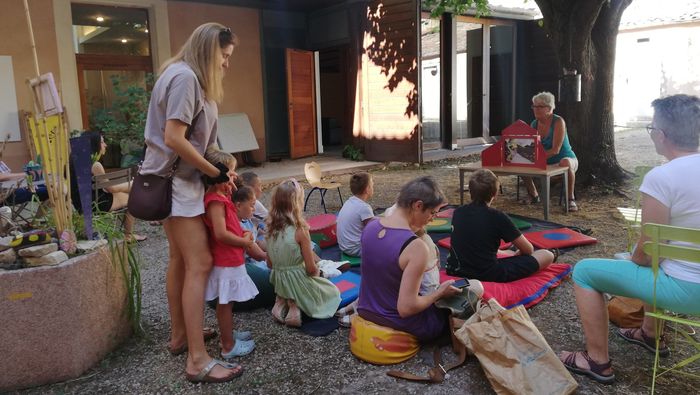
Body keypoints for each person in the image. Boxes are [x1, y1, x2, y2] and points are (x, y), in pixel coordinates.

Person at [559, 94, 700, 384]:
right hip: (686, 278)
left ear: (661, 136)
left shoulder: (662, 178)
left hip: (686, 290)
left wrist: (633, 258)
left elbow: (648, 254)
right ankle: (650, 334)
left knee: (585, 271)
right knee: (658, 262)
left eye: (652, 129)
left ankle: (596, 360)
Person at [141, 23, 242, 383]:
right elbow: (174, 138)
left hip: (168, 181)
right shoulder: (187, 79)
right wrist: (212, 172)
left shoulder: (178, 73)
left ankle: (181, 336)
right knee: (200, 262)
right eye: (224, 56)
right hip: (178, 185)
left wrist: (221, 166)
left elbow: (193, 142)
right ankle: (197, 360)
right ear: (208, 51)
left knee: (179, 260)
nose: (227, 64)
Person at [356, 176, 462, 342]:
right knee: (468, 295)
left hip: (365, 310)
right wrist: (439, 293)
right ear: (418, 205)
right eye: (432, 213)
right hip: (398, 321)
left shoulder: (371, 226)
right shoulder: (416, 247)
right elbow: (406, 308)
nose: (433, 219)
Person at [447, 169, 554, 282]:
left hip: (457, 270)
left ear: (470, 191)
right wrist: (519, 255)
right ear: (495, 193)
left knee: (492, 250)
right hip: (487, 274)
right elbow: (528, 249)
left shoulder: (458, 212)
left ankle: (509, 253)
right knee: (547, 255)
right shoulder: (497, 216)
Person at [202, 148, 258, 359]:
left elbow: (229, 226)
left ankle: (228, 334)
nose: (235, 176)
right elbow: (220, 233)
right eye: (231, 172)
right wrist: (243, 241)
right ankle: (228, 345)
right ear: (218, 174)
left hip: (230, 258)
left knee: (228, 303)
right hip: (226, 260)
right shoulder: (215, 200)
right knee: (225, 304)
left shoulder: (221, 195)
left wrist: (241, 231)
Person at [266, 179, 341, 327]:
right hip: (299, 281)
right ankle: (296, 306)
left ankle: (281, 301)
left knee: (289, 276)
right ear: (297, 203)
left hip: (279, 281)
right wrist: (321, 272)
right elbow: (311, 270)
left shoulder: (270, 229)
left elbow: (269, 264)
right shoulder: (300, 230)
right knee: (332, 292)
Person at [70, 130, 146, 242]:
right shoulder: (95, 165)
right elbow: (110, 189)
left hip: (80, 204)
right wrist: (133, 184)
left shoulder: (76, 161)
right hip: (96, 204)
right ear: (94, 145)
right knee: (132, 199)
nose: (105, 145)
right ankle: (128, 235)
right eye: (102, 142)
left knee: (127, 191)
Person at [523, 91, 579, 211]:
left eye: (540, 107)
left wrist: (535, 158)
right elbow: (531, 147)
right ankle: (533, 195)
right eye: (534, 106)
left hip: (565, 160)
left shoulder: (558, 122)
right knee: (522, 161)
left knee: (566, 162)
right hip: (545, 161)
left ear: (549, 108)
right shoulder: (534, 124)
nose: (535, 109)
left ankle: (570, 199)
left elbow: (555, 150)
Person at [336, 172, 374, 257]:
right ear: (367, 189)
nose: (373, 187)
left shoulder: (349, 202)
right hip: (356, 249)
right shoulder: (364, 208)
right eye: (372, 185)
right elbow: (373, 231)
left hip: (344, 247)